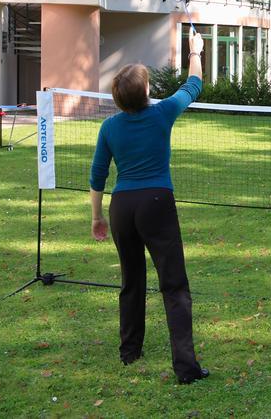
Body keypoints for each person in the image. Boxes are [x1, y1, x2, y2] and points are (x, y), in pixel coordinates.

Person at [89, 30, 209, 385]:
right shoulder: (162, 114)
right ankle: (185, 368)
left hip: (122, 207)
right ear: (144, 93)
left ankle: (130, 351)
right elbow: (194, 84)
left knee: (132, 280)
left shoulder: (110, 127)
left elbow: (98, 176)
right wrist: (195, 51)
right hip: (156, 202)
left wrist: (97, 216)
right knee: (174, 286)